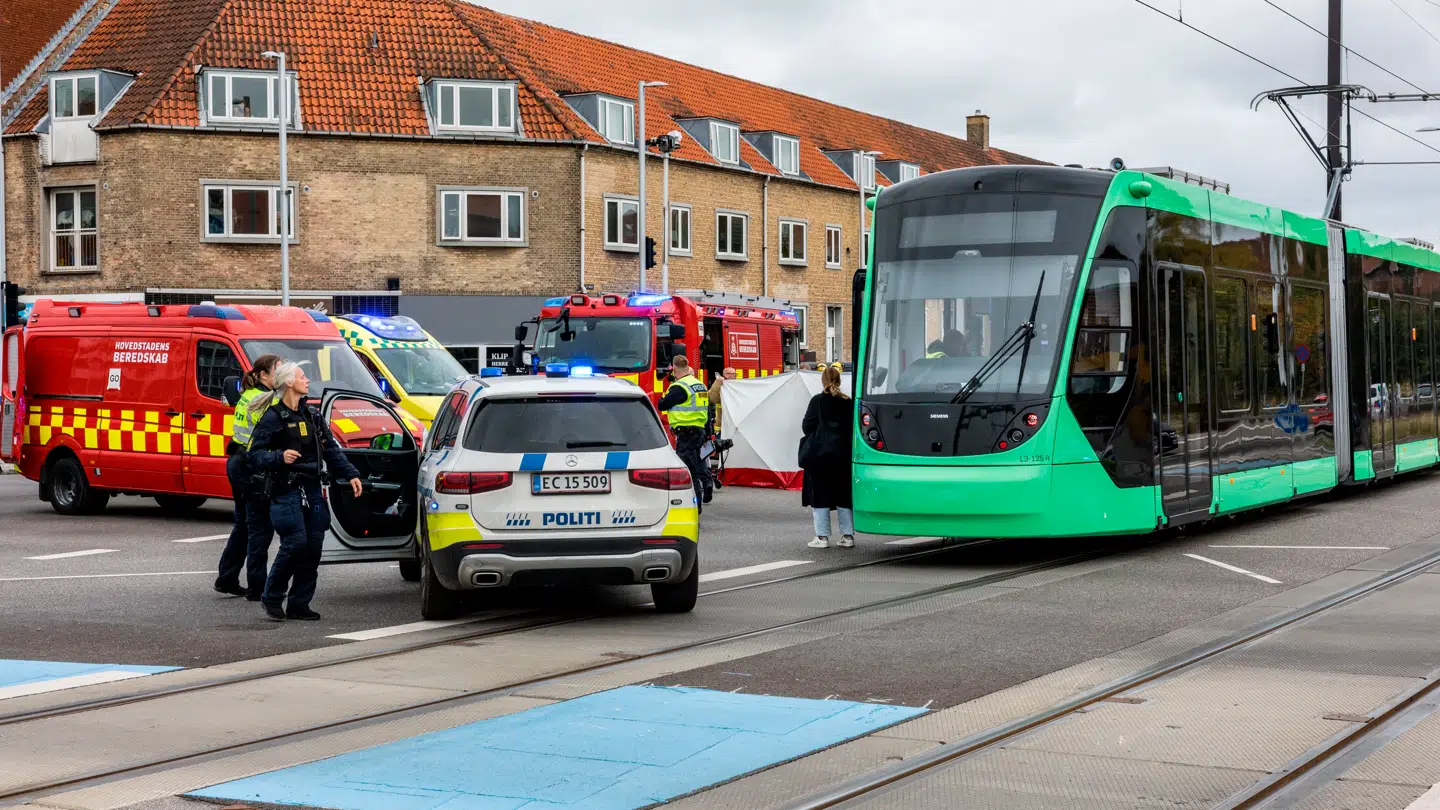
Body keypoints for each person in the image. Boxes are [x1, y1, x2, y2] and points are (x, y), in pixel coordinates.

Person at [246, 362, 363, 622]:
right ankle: (272, 597)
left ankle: (299, 603)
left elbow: (331, 450)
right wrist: (279, 456)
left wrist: (351, 474)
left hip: (311, 488)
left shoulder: (312, 415)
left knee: (313, 546)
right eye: (302, 376)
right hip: (285, 488)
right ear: (289, 383)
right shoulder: (273, 417)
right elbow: (253, 456)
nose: (307, 380)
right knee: (295, 541)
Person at [215, 354, 282, 600]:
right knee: (259, 529)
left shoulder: (250, 394)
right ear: (263, 375)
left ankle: (227, 578)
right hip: (250, 467)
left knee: (243, 526)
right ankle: (257, 587)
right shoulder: (265, 400)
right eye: (278, 370)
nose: (282, 375)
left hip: (238, 463)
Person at [801, 364, 855, 549]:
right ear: (839, 381)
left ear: (822, 381)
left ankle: (822, 538)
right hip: (843, 455)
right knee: (843, 495)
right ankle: (847, 536)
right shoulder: (849, 402)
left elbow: (806, 426)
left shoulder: (817, 401)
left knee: (820, 494)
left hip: (820, 455)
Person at [657, 355, 713, 510]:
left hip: (686, 433)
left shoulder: (679, 387)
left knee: (689, 470)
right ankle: (707, 485)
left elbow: (662, 404)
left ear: (674, 369)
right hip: (699, 430)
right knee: (698, 462)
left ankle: (696, 506)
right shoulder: (699, 384)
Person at [707, 368, 736, 490]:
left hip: (735, 424)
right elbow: (712, 397)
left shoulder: (737, 386)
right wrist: (718, 382)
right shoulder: (720, 385)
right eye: (728, 374)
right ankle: (721, 472)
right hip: (723, 424)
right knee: (721, 449)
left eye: (733, 374)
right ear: (723, 374)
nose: (731, 376)